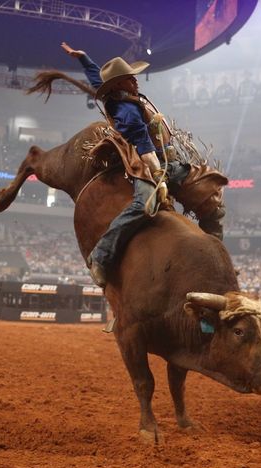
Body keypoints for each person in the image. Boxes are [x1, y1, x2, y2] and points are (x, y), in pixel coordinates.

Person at [61, 43, 225, 288]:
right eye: (130, 78)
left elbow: (98, 78)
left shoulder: (119, 94)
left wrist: (84, 57)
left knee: (209, 186)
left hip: (165, 160)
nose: (135, 81)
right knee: (145, 204)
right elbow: (144, 146)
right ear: (119, 85)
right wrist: (158, 175)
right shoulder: (128, 111)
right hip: (145, 162)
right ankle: (101, 255)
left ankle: (215, 254)